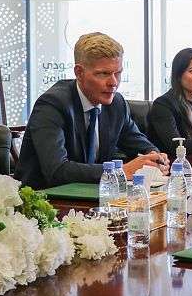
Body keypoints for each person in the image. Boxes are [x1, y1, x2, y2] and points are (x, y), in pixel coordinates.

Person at [15, 32, 168, 189]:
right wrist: (121, 171)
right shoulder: (52, 104)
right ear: (79, 73)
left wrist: (154, 157)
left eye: (118, 73)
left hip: (95, 195)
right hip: (45, 197)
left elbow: (138, 143)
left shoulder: (116, 103)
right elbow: (57, 171)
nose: (113, 82)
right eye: (103, 74)